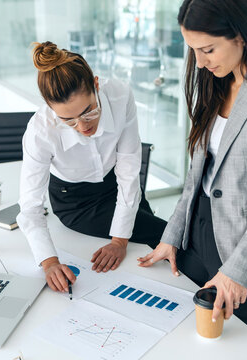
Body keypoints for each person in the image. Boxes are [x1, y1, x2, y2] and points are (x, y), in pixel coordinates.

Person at [138, 0, 247, 336]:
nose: (201, 63)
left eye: (207, 49)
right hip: (197, 238)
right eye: (194, 51)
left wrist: (239, 268)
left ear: (240, 34)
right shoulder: (216, 82)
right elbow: (198, 178)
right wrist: (172, 236)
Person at [18, 41, 167, 293]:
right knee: (162, 236)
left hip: (116, 184)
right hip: (75, 201)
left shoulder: (120, 95)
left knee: (160, 240)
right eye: (68, 120)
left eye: (88, 112)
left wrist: (119, 241)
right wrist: (50, 262)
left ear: (96, 84)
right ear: (51, 108)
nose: (82, 126)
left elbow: (129, 168)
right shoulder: (40, 131)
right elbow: (30, 206)